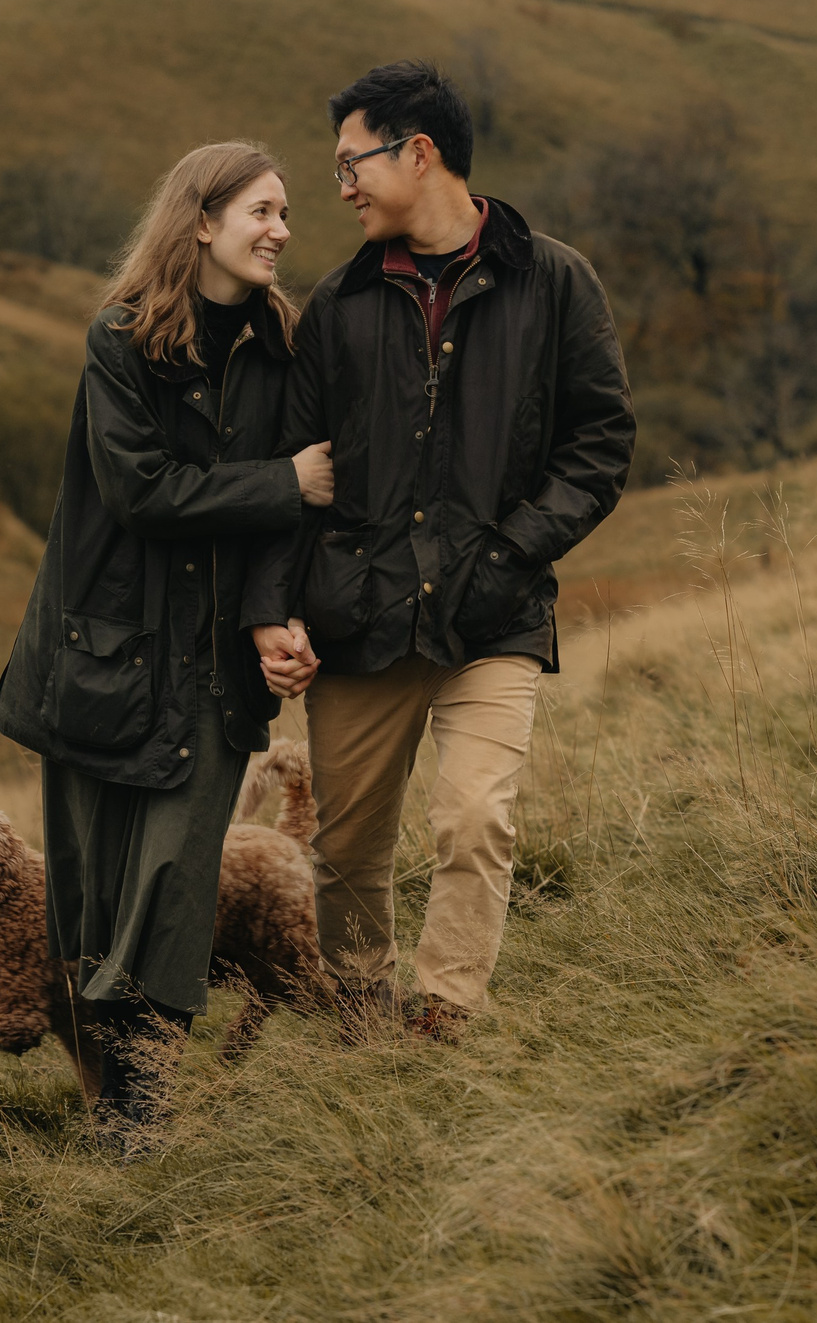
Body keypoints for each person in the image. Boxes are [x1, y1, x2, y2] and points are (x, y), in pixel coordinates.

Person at [245, 60, 634, 1043]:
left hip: (492, 617)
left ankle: (444, 1014)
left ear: (418, 154)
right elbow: (293, 475)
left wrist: (508, 558)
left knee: (473, 820)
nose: (339, 190)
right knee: (345, 856)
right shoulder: (335, 308)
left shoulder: (554, 281)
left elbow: (598, 448)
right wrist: (278, 610)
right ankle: (362, 1028)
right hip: (359, 619)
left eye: (351, 164)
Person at [0, 141, 333, 1127]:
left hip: (214, 669)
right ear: (201, 222)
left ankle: (138, 1116)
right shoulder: (121, 341)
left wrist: (276, 616)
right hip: (105, 664)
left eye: (283, 215)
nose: (280, 230)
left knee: (175, 892)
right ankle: (110, 1103)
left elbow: (292, 517)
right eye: (261, 212)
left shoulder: (284, 348)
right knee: (93, 899)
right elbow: (139, 491)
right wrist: (283, 480)